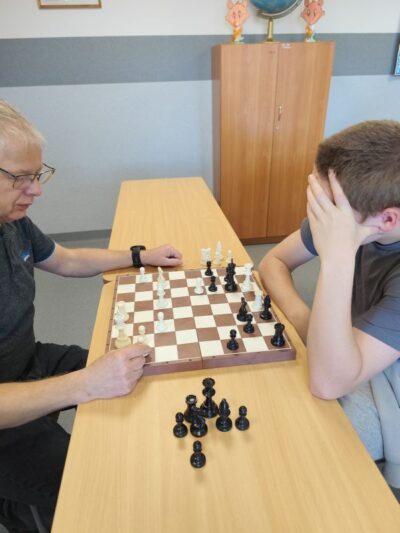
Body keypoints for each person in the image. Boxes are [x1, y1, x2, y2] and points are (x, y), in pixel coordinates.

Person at [0, 100, 182, 532]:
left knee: (145, 373)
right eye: (20, 178)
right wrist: (85, 384)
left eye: (38, 175)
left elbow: (65, 259)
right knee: (100, 485)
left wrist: (139, 256)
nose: (36, 190)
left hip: (26, 362)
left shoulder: (12, 221)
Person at [259, 120, 400, 489]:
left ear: (387, 219)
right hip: (359, 347)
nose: (318, 216)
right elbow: (273, 263)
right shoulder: (348, 214)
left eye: (328, 208)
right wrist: (305, 320)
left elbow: (328, 382)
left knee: (308, 442)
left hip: (390, 380)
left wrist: (337, 259)